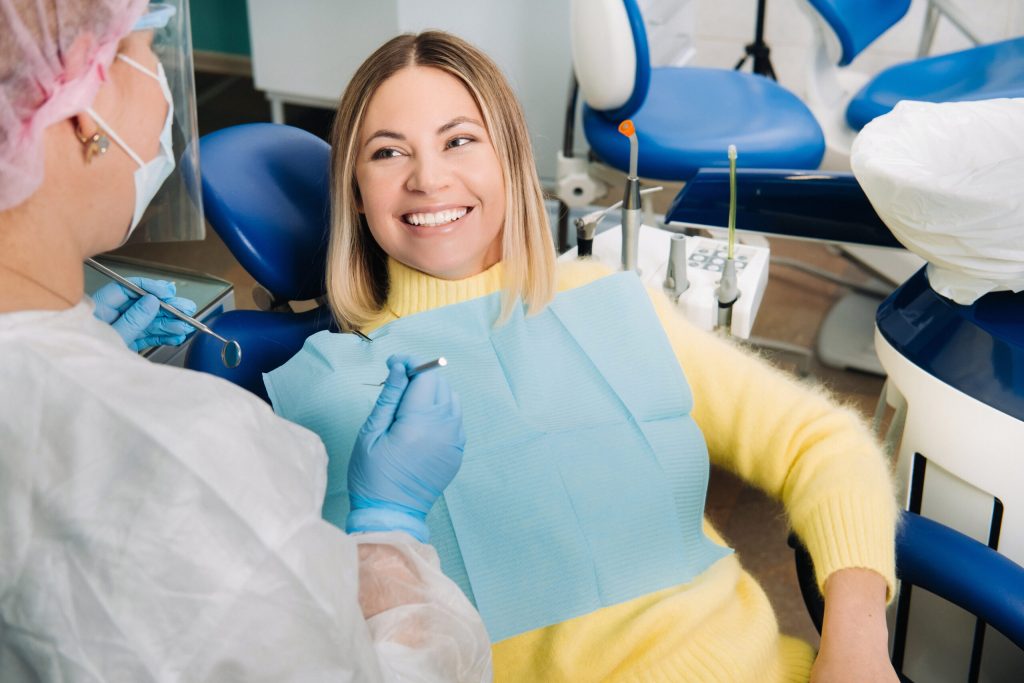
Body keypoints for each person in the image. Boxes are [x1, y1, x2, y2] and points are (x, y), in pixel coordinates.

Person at [268, 31, 901, 682]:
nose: (428, 178)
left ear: (510, 159)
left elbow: (822, 440)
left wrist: (856, 643)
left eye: (458, 140)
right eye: (387, 152)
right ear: (354, 191)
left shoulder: (610, 301)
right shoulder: (336, 391)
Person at [0, 3, 491, 681]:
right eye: (148, 50)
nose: (429, 177)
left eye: (460, 139)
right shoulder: (188, 458)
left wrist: (85, 358)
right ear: (84, 109)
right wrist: (389, 532)